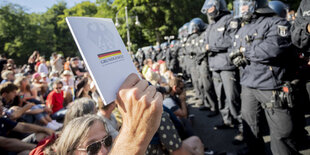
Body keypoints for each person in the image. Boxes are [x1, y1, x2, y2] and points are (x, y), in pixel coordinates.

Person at [230, 0, 299, 154]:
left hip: (271, 85)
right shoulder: (243, 28)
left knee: (282, 134)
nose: (242, 9)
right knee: (250, 128)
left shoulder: (277, 23)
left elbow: (272, 49)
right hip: (248, 84)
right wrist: (235, 55)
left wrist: (244, 51)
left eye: (245, 4)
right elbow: (233, 48)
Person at [201, 0, 242, 138]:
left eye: (211, 7)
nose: (209, 10)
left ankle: (243, 128)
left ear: (219, 6)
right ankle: (227, 120)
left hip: (227, 65)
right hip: (215, 66)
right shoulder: (212, 24)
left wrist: (211, 47)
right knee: (222, 97)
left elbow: (232, 41)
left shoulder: (230, 20)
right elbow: (205, 43)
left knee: (233, 97)